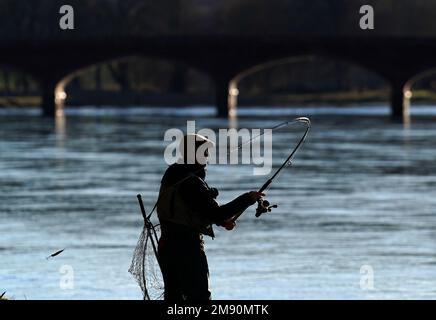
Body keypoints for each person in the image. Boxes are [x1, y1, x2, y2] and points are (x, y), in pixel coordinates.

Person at [156, 134, 263, 301]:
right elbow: (216, 213)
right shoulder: (191, 182)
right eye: (205, 153)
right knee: (200, 298)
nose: (207, 157)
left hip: (167, 247)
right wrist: (248, 198)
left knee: (174, 298)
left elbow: (195, 208)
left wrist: (221, 222)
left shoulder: (173, 173)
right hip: (187, 248)